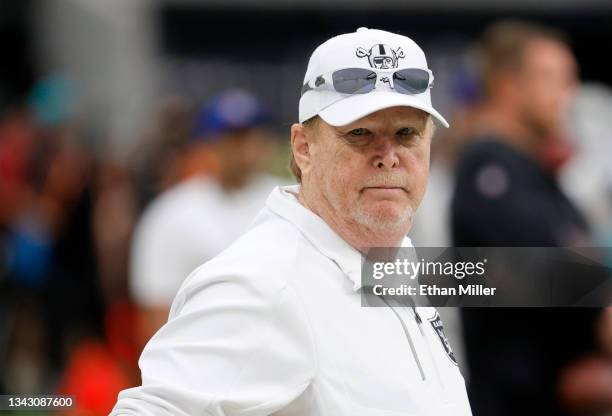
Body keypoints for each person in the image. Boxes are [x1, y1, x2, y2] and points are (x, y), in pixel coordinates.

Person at [111, 28, 472, 415]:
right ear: (304, 149)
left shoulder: (391, 255)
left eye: (407, 133)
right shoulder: (263, 284)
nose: (388, 155)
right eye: (360, 134)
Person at [450, 20, 602, 416]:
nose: (568, 95)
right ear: (508, 85)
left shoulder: (542, 175)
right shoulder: (488, 169)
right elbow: (547, 272)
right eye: (554, 79)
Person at [129, 89, 282, 347]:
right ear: (209, 144)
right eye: (234, 138)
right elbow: (155, 307)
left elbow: (370, 284)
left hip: (280, 348)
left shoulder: (290, 198)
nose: (247, 147)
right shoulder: (172, 212)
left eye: (254, 134)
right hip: (206, 356)